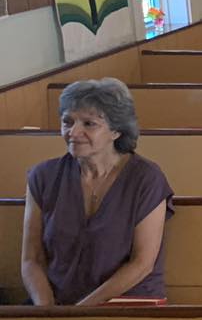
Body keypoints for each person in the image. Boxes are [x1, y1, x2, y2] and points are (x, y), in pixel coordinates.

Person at [21, 79, 173, 306]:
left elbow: (142, 263)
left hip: (128, 301)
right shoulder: (43, 176)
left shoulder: (146, 178)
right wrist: (48, 312)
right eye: (67, 122)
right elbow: (32, 259)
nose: (73, 132)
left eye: (89, 124)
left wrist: (81, 313)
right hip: (58, 304)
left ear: (115, 131)